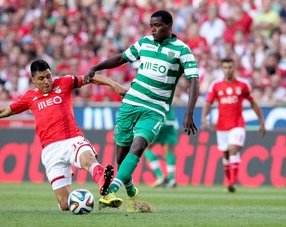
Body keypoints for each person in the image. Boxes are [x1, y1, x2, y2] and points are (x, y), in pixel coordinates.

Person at [0, 59, 127, 211]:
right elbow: (4, 111)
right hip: (50, 150)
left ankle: (105, 190)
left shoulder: (64, 82)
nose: (46, 81)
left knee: (88, 160)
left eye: (48, 76)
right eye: (41, 78)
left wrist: (114, 84)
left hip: (72, 139)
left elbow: (90, 77)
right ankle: (88, 187)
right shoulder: (29, 97)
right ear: (33, 80)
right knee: (66, 205)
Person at [85, 10, 199, 212]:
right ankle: (132, 195)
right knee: (121, 158)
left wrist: (190, 112)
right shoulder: (144, 43)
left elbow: (194, 81)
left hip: (155, 109)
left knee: (138, 146)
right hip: (130, 104)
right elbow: (121, 58)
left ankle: (110, 190)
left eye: (158, 26)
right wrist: (96, 66)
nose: (153, 29)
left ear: (169, 26)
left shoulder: (182, 50)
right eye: (151, 26)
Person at [201, 57, 266, 193]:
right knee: (225, 154)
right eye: (225, 67)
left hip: (237, 124)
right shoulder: (216, 85)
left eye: (230, 67)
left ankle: (232, 182)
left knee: (233, 149)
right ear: (221, 68)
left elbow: (253, 103)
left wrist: (261, 121)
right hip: (222, 125)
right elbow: (208, 103)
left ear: (234, 68)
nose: (227, 70)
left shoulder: (243, 84)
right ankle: (229, 183)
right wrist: (204, 118)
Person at [144, 105, 179, 188]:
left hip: (159, 120)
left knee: (146, 147)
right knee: (168, 150)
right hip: (171, 121)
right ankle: (171, 179)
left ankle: (160, 175)